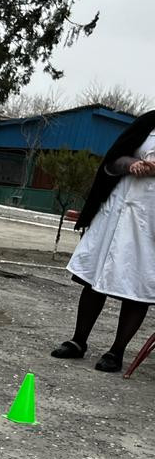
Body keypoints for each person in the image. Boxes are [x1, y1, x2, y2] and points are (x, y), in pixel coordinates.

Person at [51, 109, 155, 372]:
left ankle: (116, 352)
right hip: (119, 206)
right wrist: (132, 164)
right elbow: (114, 157)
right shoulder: (149, 122)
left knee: (138, 283)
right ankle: (78, 341)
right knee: (95, 276)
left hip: (150, 218)